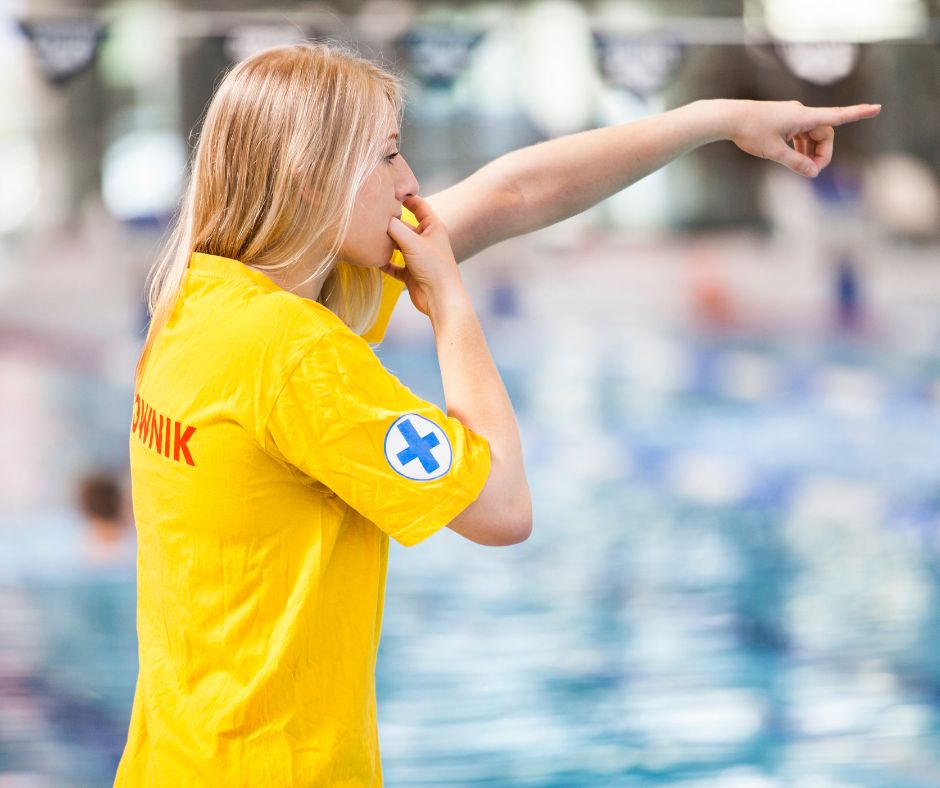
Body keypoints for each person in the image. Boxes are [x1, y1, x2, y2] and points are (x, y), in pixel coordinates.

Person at [115, 40, 880, 786]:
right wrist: (447, 299)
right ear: (311, 179)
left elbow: (512, 194)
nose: (408, 179)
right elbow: (503, 506)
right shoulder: (292, 352)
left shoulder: (196, 301)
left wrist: (712, 118)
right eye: (385, 155)